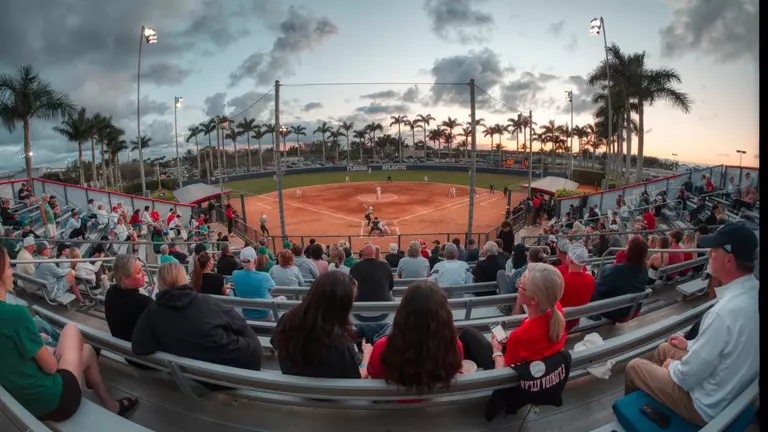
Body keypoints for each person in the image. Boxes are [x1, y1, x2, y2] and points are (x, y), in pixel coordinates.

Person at [624, 223, 758, 426]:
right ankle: (660, 398)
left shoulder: (722, 314)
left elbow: (687, 377)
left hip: (705, 406)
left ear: (729, 260)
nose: (709, 254)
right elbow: (726, 347)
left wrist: (673, 367)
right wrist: (689, 346)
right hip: (731, 390)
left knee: (634, 367)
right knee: (664, 349)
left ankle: (639, 419)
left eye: (714, 251)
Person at [0, 246, 139, 421]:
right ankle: (89, 365)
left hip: (21, 398)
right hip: (53, 401)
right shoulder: (16, 315)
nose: (11, 271)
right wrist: (42, 345)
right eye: (7, 267)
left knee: (86, 351)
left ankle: (112, 405)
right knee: (71, 329)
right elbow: (50, 367)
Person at [459, 263, 567, 419]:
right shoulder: (556, 309)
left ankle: (465, 374)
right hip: (534, 364)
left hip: (514, 379)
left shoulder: (521, 336)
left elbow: (502, 374)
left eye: (521, 287)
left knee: (469, 334)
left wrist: (496, 351)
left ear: (534, 299)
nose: (517, 287)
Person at [132, 262, 263, 371]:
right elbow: (241, 325)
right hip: (238, 368)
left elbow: (140, 347)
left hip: (198, 374)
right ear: (183, 279)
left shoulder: (153, 311)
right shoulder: (206, 302)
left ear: (159, 283)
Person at [367, 281, 463, 395]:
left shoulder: (382, 347)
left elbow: (374, 374)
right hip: (434, 403)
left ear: (403, 312)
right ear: (445, 315)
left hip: (394, 404)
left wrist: (366, 355)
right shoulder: (454, 345)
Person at [272, 272, 373, 379]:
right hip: (329, 394)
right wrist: (367, 357)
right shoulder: (340, 346)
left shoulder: (286, 320)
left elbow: (276, 344)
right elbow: (356, 381)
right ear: (342, 307)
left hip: (293, 389)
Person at [592, 236, 649, 322]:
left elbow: (599, 288)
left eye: (628, 245)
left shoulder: (618, 270)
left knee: (591, 290)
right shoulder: (644, 270)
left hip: (617, 312)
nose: (625, 247)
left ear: (631, 251)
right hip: (633, 310)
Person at [35, 242, 93, 309]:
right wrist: (70, 270)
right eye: (48, 249)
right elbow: (60, 273)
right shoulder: (48, 264)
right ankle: (82, 302)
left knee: (71, 279)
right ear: (44, 251)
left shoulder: (36, 261)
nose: (50, 250)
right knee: (72, 276)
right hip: (53, 293)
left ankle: (81, 301)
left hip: (44, 290)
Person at [231, 247, 279, 319]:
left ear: (241, 261)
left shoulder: (235, 274)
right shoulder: (265, 276)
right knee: (283, 298)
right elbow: (273, 289)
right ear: (255, 260)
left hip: (246, 314)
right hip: (265, 315)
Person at [350, 244, 394, 322]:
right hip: (383, 312)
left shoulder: (355, 266)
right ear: (375, 253)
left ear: (362, 254)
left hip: (359, 313)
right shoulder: (385, 265)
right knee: (391, 296)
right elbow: (391, 286)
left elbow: (350, 288)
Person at [559, 243, 595, 332]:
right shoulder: (590, 279)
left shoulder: (561, 280)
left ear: (570, 260)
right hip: (575, 320)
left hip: (560, 323)